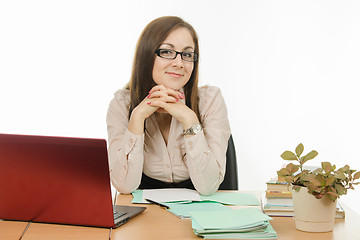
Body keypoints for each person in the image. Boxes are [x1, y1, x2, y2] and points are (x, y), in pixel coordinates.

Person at [106, 16, 231, 196]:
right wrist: (137, 118)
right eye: (166, 52)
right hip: (146, 212)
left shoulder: (210, 100)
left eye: (187, 54)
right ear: (147, 55)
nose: (179, 63)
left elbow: (208, 187)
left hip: (199, 208)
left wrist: (189, 119)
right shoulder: (122, 104)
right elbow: (124, 186)